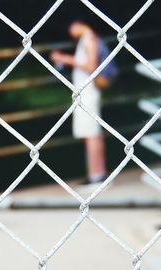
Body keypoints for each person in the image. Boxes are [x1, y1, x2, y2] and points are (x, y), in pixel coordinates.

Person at [50, 21, 108, 186]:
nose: (70, 32)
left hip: (88, 92)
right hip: (85, 92)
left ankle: (97, 175)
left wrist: (66, 59)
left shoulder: (89, 39)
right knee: (91, 133)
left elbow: (91, 66)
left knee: (91, 134)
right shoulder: (87, 39)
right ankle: (97, 174)